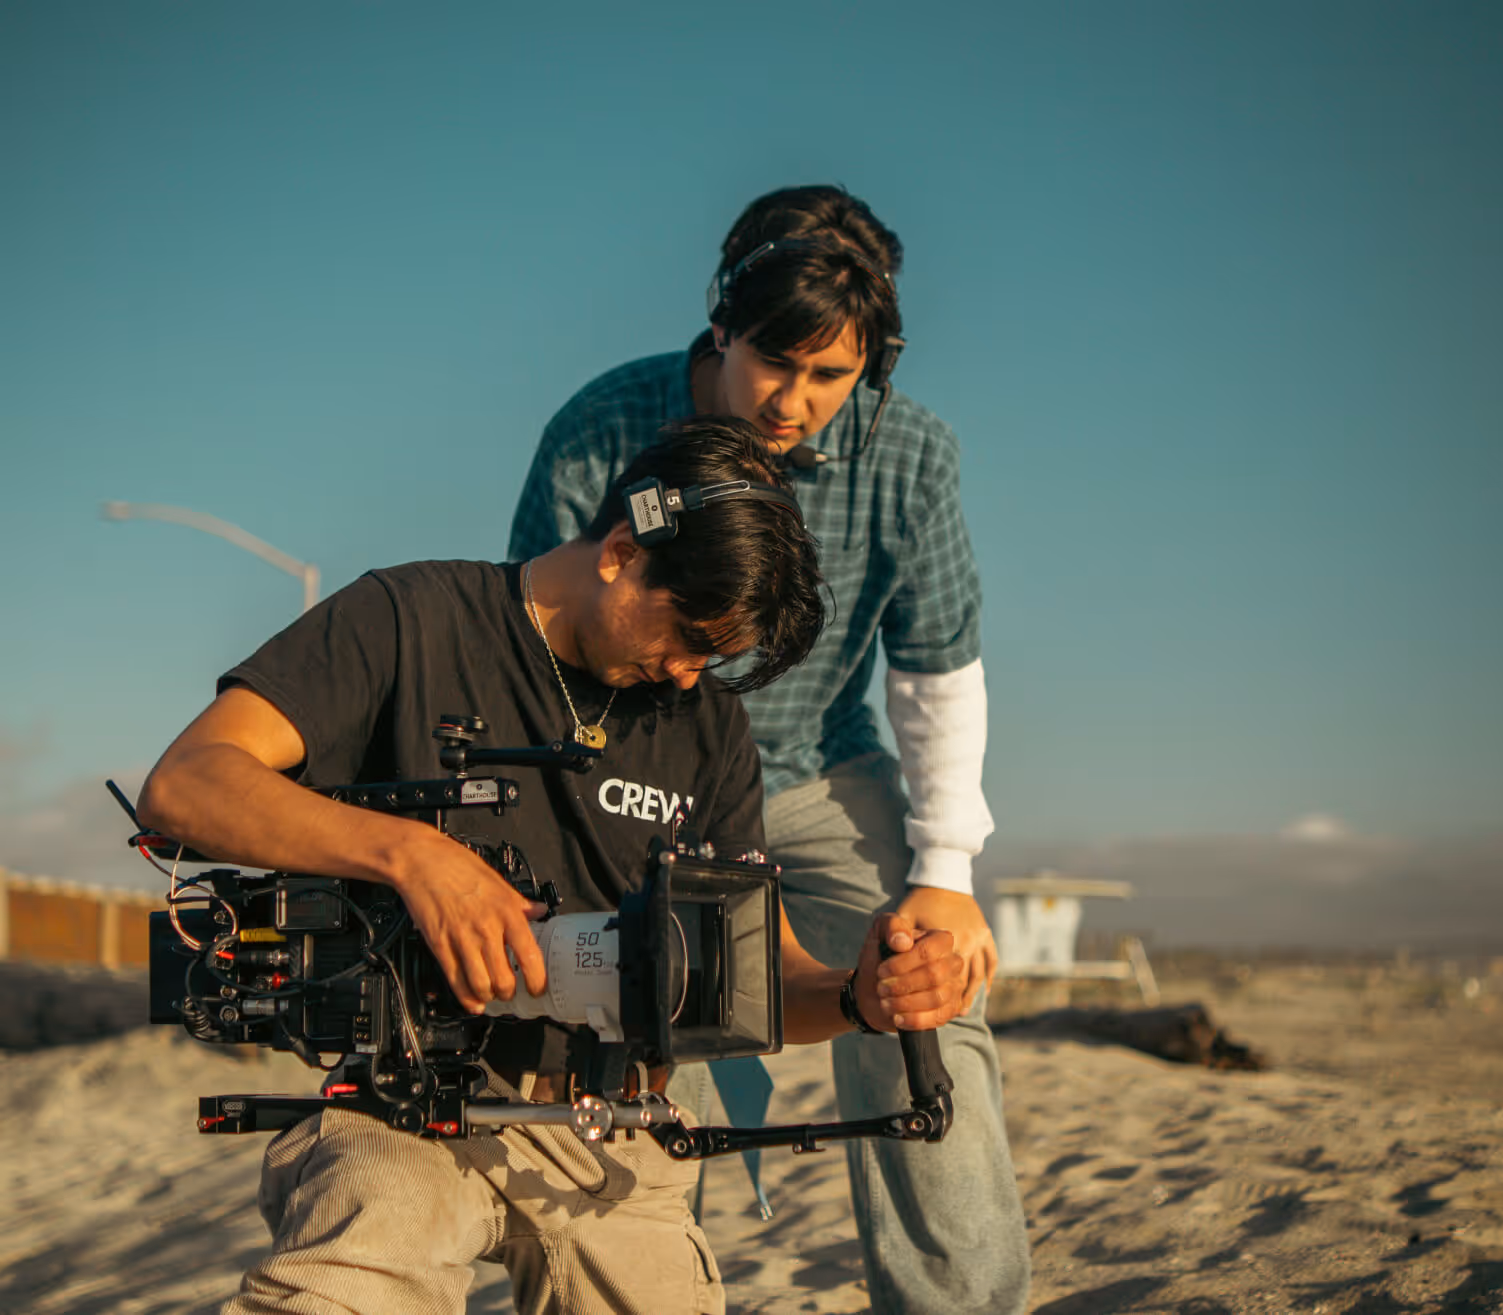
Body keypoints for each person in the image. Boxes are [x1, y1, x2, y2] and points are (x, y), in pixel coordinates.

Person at [136, 418, 965, 1315]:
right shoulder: (409, 617)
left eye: (713, 657)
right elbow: (187, 784)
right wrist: (416, 855)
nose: (688, 674)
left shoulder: (708, 726)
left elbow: (758, 982)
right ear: (619, 551)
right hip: (407, 1106)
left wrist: (858, 996)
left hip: (613, 1129)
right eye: (687, 632)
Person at [509, 185, 1029, 1314]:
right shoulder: (603, 426)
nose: (793, 400)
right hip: (634, 776)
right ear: (719, 328)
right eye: (770, 362)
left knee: (927, 990)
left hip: (817, 773)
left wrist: (944, 879)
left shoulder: (916, 459)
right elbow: (529, 642)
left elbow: (934, 668)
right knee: (638, 1017)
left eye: (829, 375)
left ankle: (958, 1299)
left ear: (871, 366)